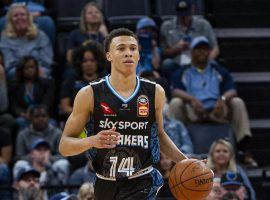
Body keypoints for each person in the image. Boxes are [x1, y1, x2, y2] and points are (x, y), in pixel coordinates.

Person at [59, 28, 192, 199]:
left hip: (142, 180)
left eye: (133, 48)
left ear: (138, 55)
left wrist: (185, 161)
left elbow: (159, 134)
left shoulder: (154, 92)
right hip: (105, 182)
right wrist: (92, 141)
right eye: (121, 48)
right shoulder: (89, 94)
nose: (128, 53)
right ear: (109, 55)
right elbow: (64, 146)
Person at [169, 36, 254, 153]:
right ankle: (173, 149)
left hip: (217, 111)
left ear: (209, 51)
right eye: (198, 49)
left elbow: (232, 90)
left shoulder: (218, 70)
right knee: (175, 103)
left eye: (205, 49)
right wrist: (192, 99)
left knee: (237, 102)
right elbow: (175, 91)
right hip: (193, 112)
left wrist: (223, 99)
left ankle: (243, 150)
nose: (202, 52)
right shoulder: (183, 71)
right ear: (192, 52)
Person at [160, 0, 219, 81]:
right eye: (181, 15)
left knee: (213, 64)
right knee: (167, 64)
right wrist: (177, 48)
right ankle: (173, 90)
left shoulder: (203, 24)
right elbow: (163, 52)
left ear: (192, 10)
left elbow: (215, 48)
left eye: (186, 15)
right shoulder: (166, 26)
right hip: (177, 62)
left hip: (199, 60)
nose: (184, 18)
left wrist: (205, 60)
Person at [0, 3, 53, 78]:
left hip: (39, 72)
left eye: (22, 15)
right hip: (16, 74)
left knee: (44, 73)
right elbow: (9, 65)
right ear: (11, 20)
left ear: (28, 18)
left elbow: (47, 63)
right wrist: (26, 71)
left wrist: (35, 71)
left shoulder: (40, 35)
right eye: (15, 16)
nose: (19, 18)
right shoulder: (5, 38)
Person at [8, 56, 55, 129]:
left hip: (42, 114)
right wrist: (22, 114)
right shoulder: (14, 85)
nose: (30, 70)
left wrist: (38, 114)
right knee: (20, 122)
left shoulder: (46, 84)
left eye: (32, 67)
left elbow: (47, 102)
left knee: (52, 124)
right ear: (21, 70)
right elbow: (14, 106)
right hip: (24, 115)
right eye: (27, 68)